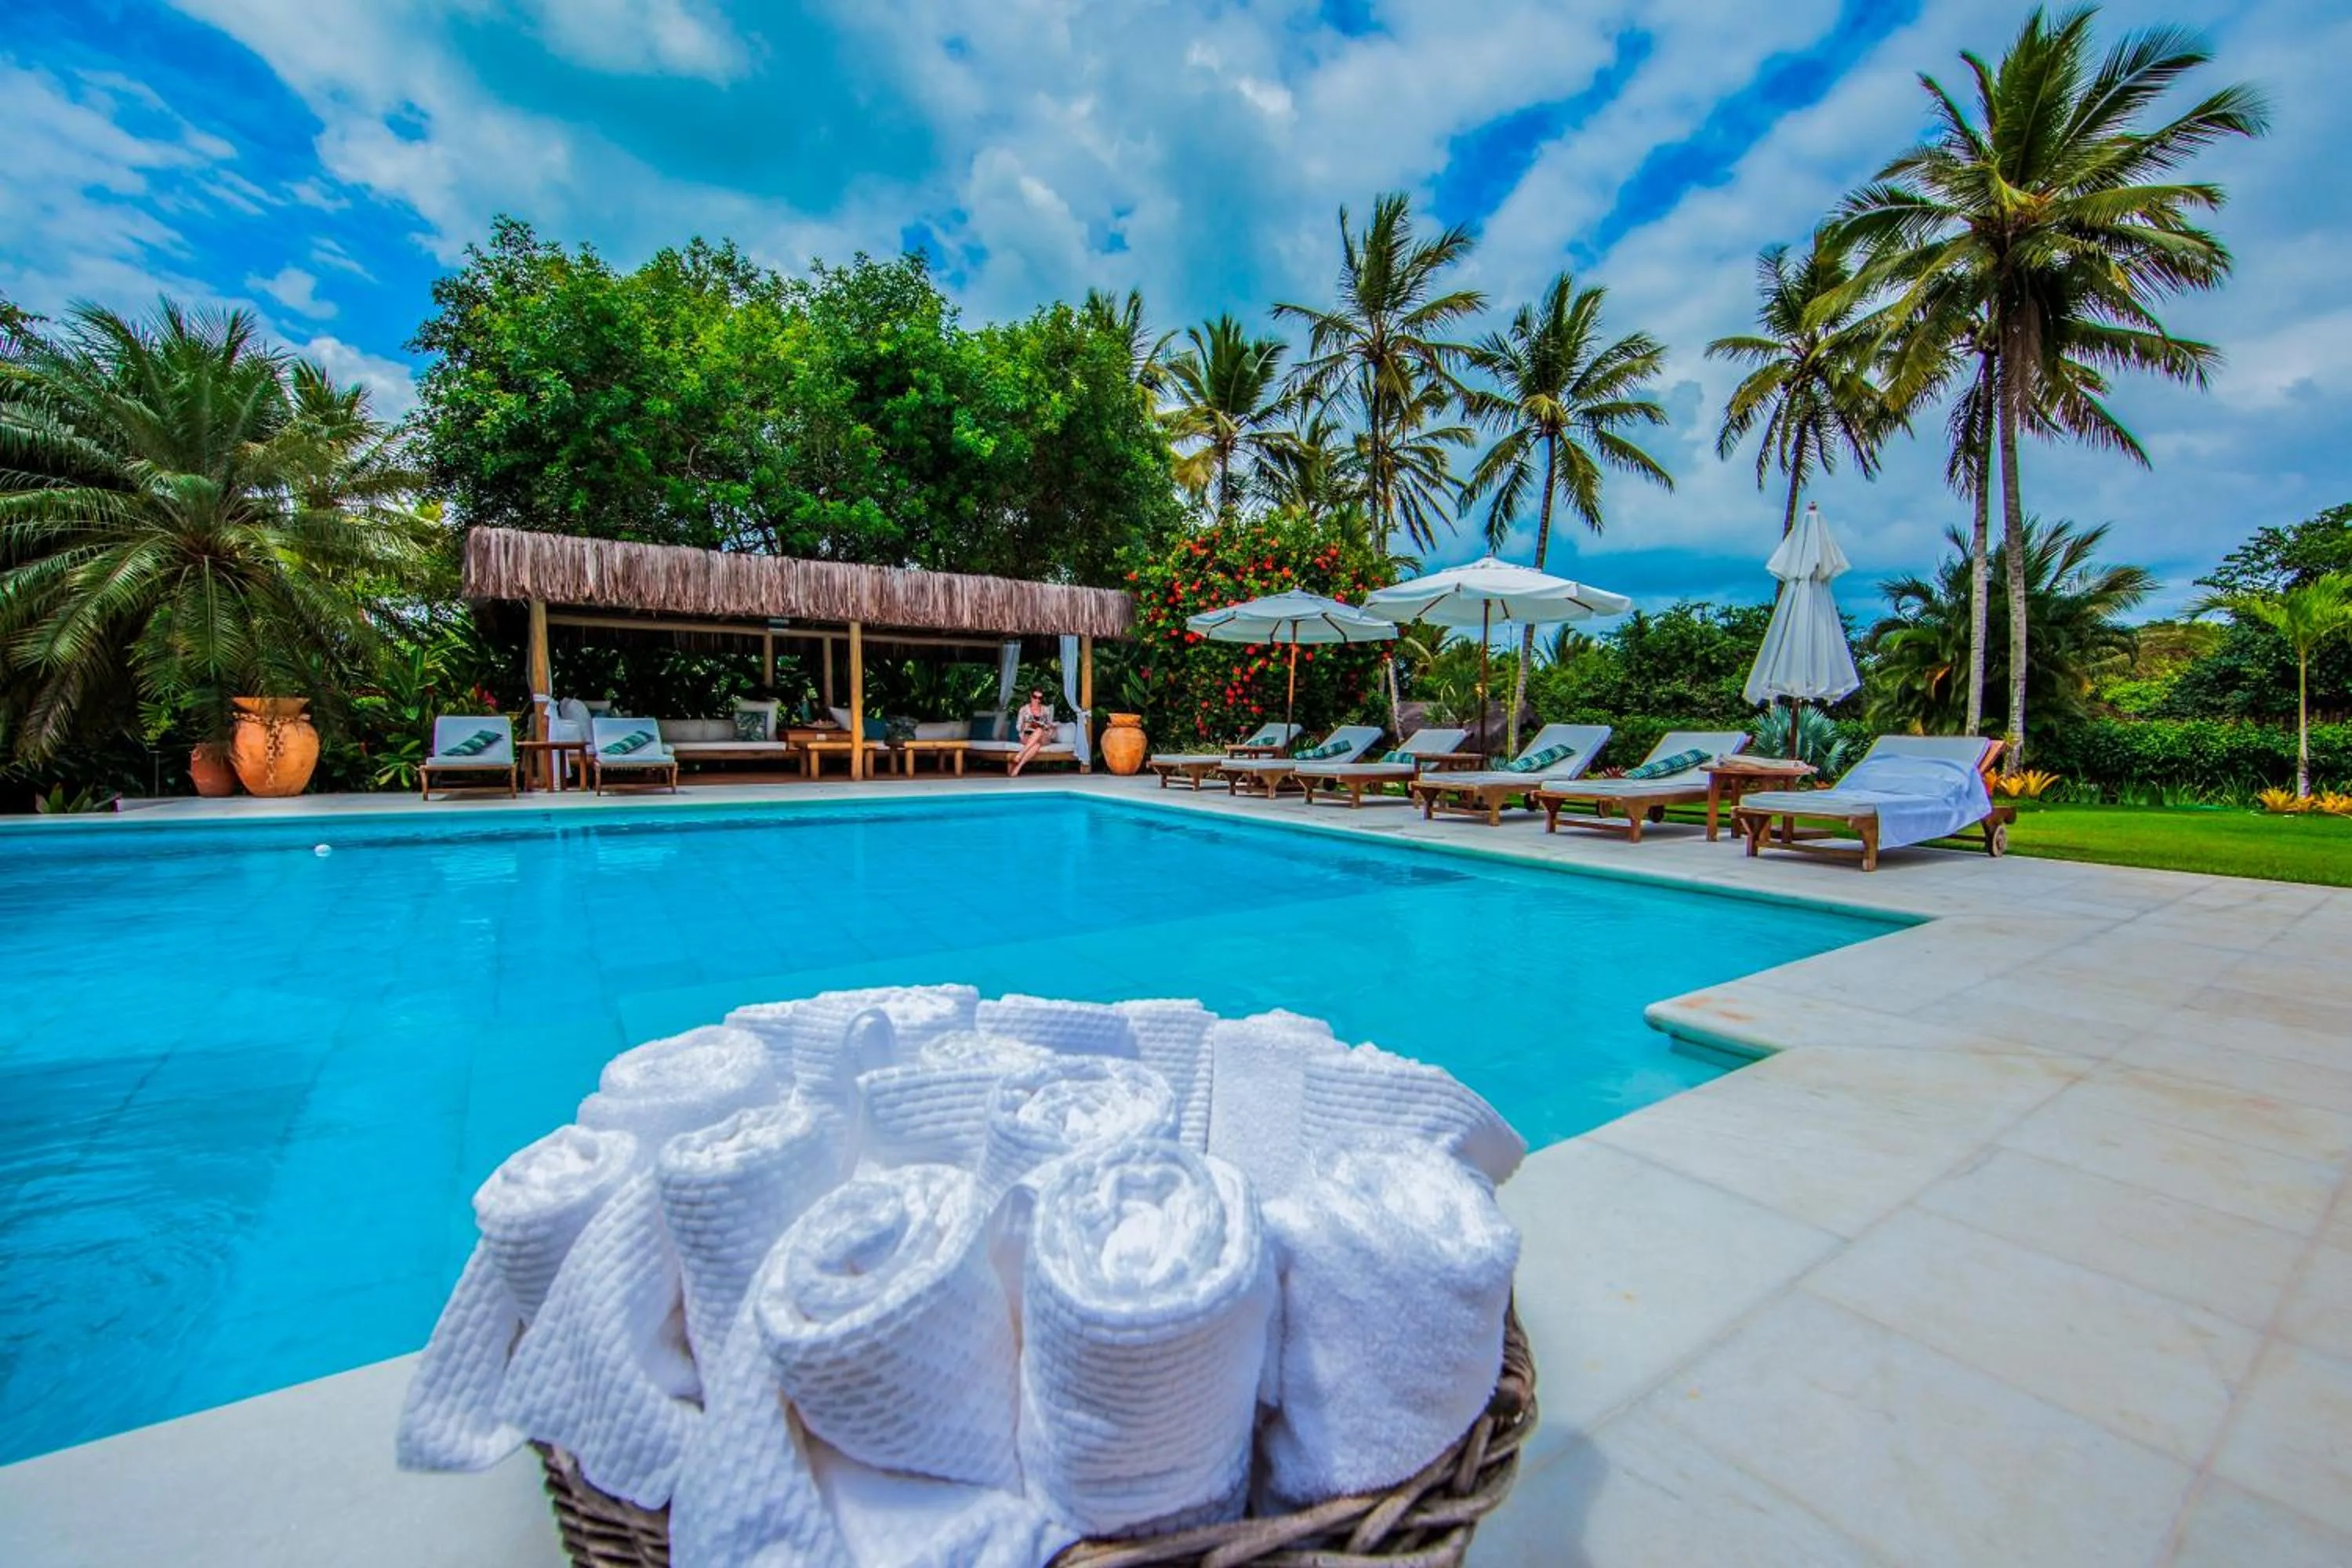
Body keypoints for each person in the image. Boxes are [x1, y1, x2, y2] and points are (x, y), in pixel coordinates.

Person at [1010, 688, 1055, 777]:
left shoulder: (1046, 710)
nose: (1037, 700)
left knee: (1039, 730)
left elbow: (1049, 724)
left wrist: (1047, 726)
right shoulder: (1024, 710)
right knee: (1037, 745)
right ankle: (1018, 767)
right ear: (1031, 697)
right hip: (1028, 736)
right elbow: (1018, 727)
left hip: (1043, 736)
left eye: (1040, 698)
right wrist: (1025, 725)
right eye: (1035, 697)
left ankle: (1020, 754)